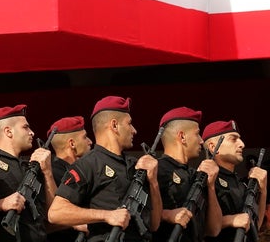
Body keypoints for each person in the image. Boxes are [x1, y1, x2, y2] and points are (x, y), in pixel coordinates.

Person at [48, 95, 162, 242]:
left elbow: (154, 224)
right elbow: (56, 212)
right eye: (129, 123)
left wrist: (153, 182)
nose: (134, 130)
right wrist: (107, 215)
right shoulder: (87, 165)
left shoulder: (136, 166)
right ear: (114, 125)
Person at [0, 104, 56, 241]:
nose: (32, 132)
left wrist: (48, 172)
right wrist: (1, 204)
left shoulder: (31, 164)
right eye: (25, 127)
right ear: (8, 131)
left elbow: (53, 212)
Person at [152, 107, 221, 242]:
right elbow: (135, 214)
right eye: (197, 134)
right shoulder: (156, 170)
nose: (201, 141)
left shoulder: (196, 175)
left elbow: (214, 229)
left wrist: (211, 186)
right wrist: (165, 215)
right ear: (182, 136)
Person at [203, 120, 267, 241]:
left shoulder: (240, 183)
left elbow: (254, 225)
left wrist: (263, 190)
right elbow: (195, 224)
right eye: (233, 139)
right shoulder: (204, 179)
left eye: (240, 139)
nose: (242, 144)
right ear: (213, 147)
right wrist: (230, 220)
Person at [46, 116, 92, 241]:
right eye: (85, 137)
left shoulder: (83, 171)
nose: (90, 141)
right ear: (72, 143)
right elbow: (45, 221)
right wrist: (74, 222)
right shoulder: (51, 174)